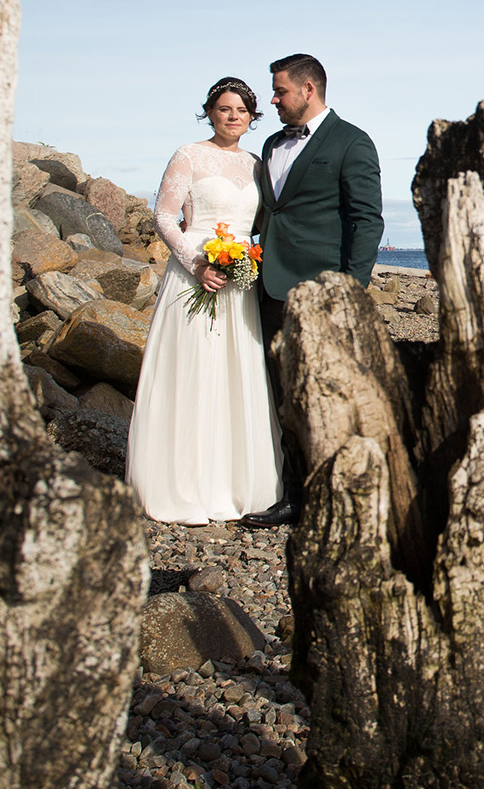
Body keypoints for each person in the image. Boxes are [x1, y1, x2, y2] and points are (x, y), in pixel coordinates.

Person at [124, 78, 283, 524]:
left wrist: (246, 260)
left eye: (241, 111)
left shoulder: (257, 164)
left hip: (238, 279)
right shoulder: (188, 155)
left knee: (235, 372)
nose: (233, 117)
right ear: (209, 113)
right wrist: (197, 263)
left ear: (253, 117)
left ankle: (234, 484)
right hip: (194, 272)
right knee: (191, 370)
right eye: (224, 109)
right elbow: (163, 215)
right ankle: (181, 485)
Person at [239, 52, 385, 528]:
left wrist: (351, 289)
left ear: (309, 89)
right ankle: (291, 492)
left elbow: (367, 220)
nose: (273, 101)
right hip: (267, 285)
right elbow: (269, 214)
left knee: (322, 393)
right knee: (278, 391)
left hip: (322, 290)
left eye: (280, 91)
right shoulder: (270, 145)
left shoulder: (351, 142)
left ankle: (335, 494)